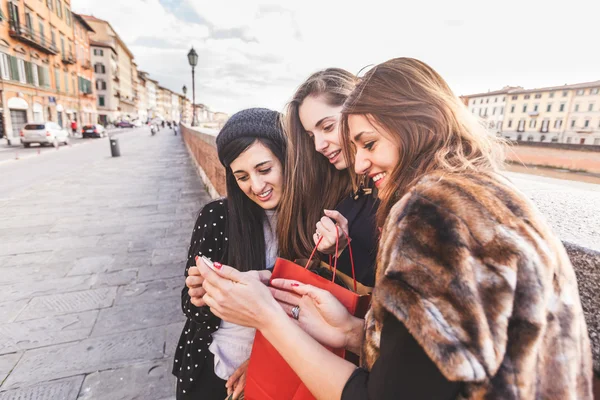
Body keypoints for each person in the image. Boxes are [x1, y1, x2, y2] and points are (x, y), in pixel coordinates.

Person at [195, 58, 593, 399]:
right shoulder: (486, 193)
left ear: (414, 124)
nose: (361, 163)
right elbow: (442, 354)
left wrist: (268, 318)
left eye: (367, 143)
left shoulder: (432, 211)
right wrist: (353, 331)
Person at [172, 108, 287, 399]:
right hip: (212, 365)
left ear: (288, 160)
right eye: (242, 176)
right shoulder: (217, 217)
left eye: (264, 169)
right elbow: (189, 304)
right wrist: (201, 297)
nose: (256, 186)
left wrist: (263, 361)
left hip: (280, 366)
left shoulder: (312, 224)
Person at [278, 68, 378, 287]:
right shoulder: (332, 181)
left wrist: (343, 249)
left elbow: (400, 286)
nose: (318, 146)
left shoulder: (388, 182)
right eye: (311, 136)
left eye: (328, 127)